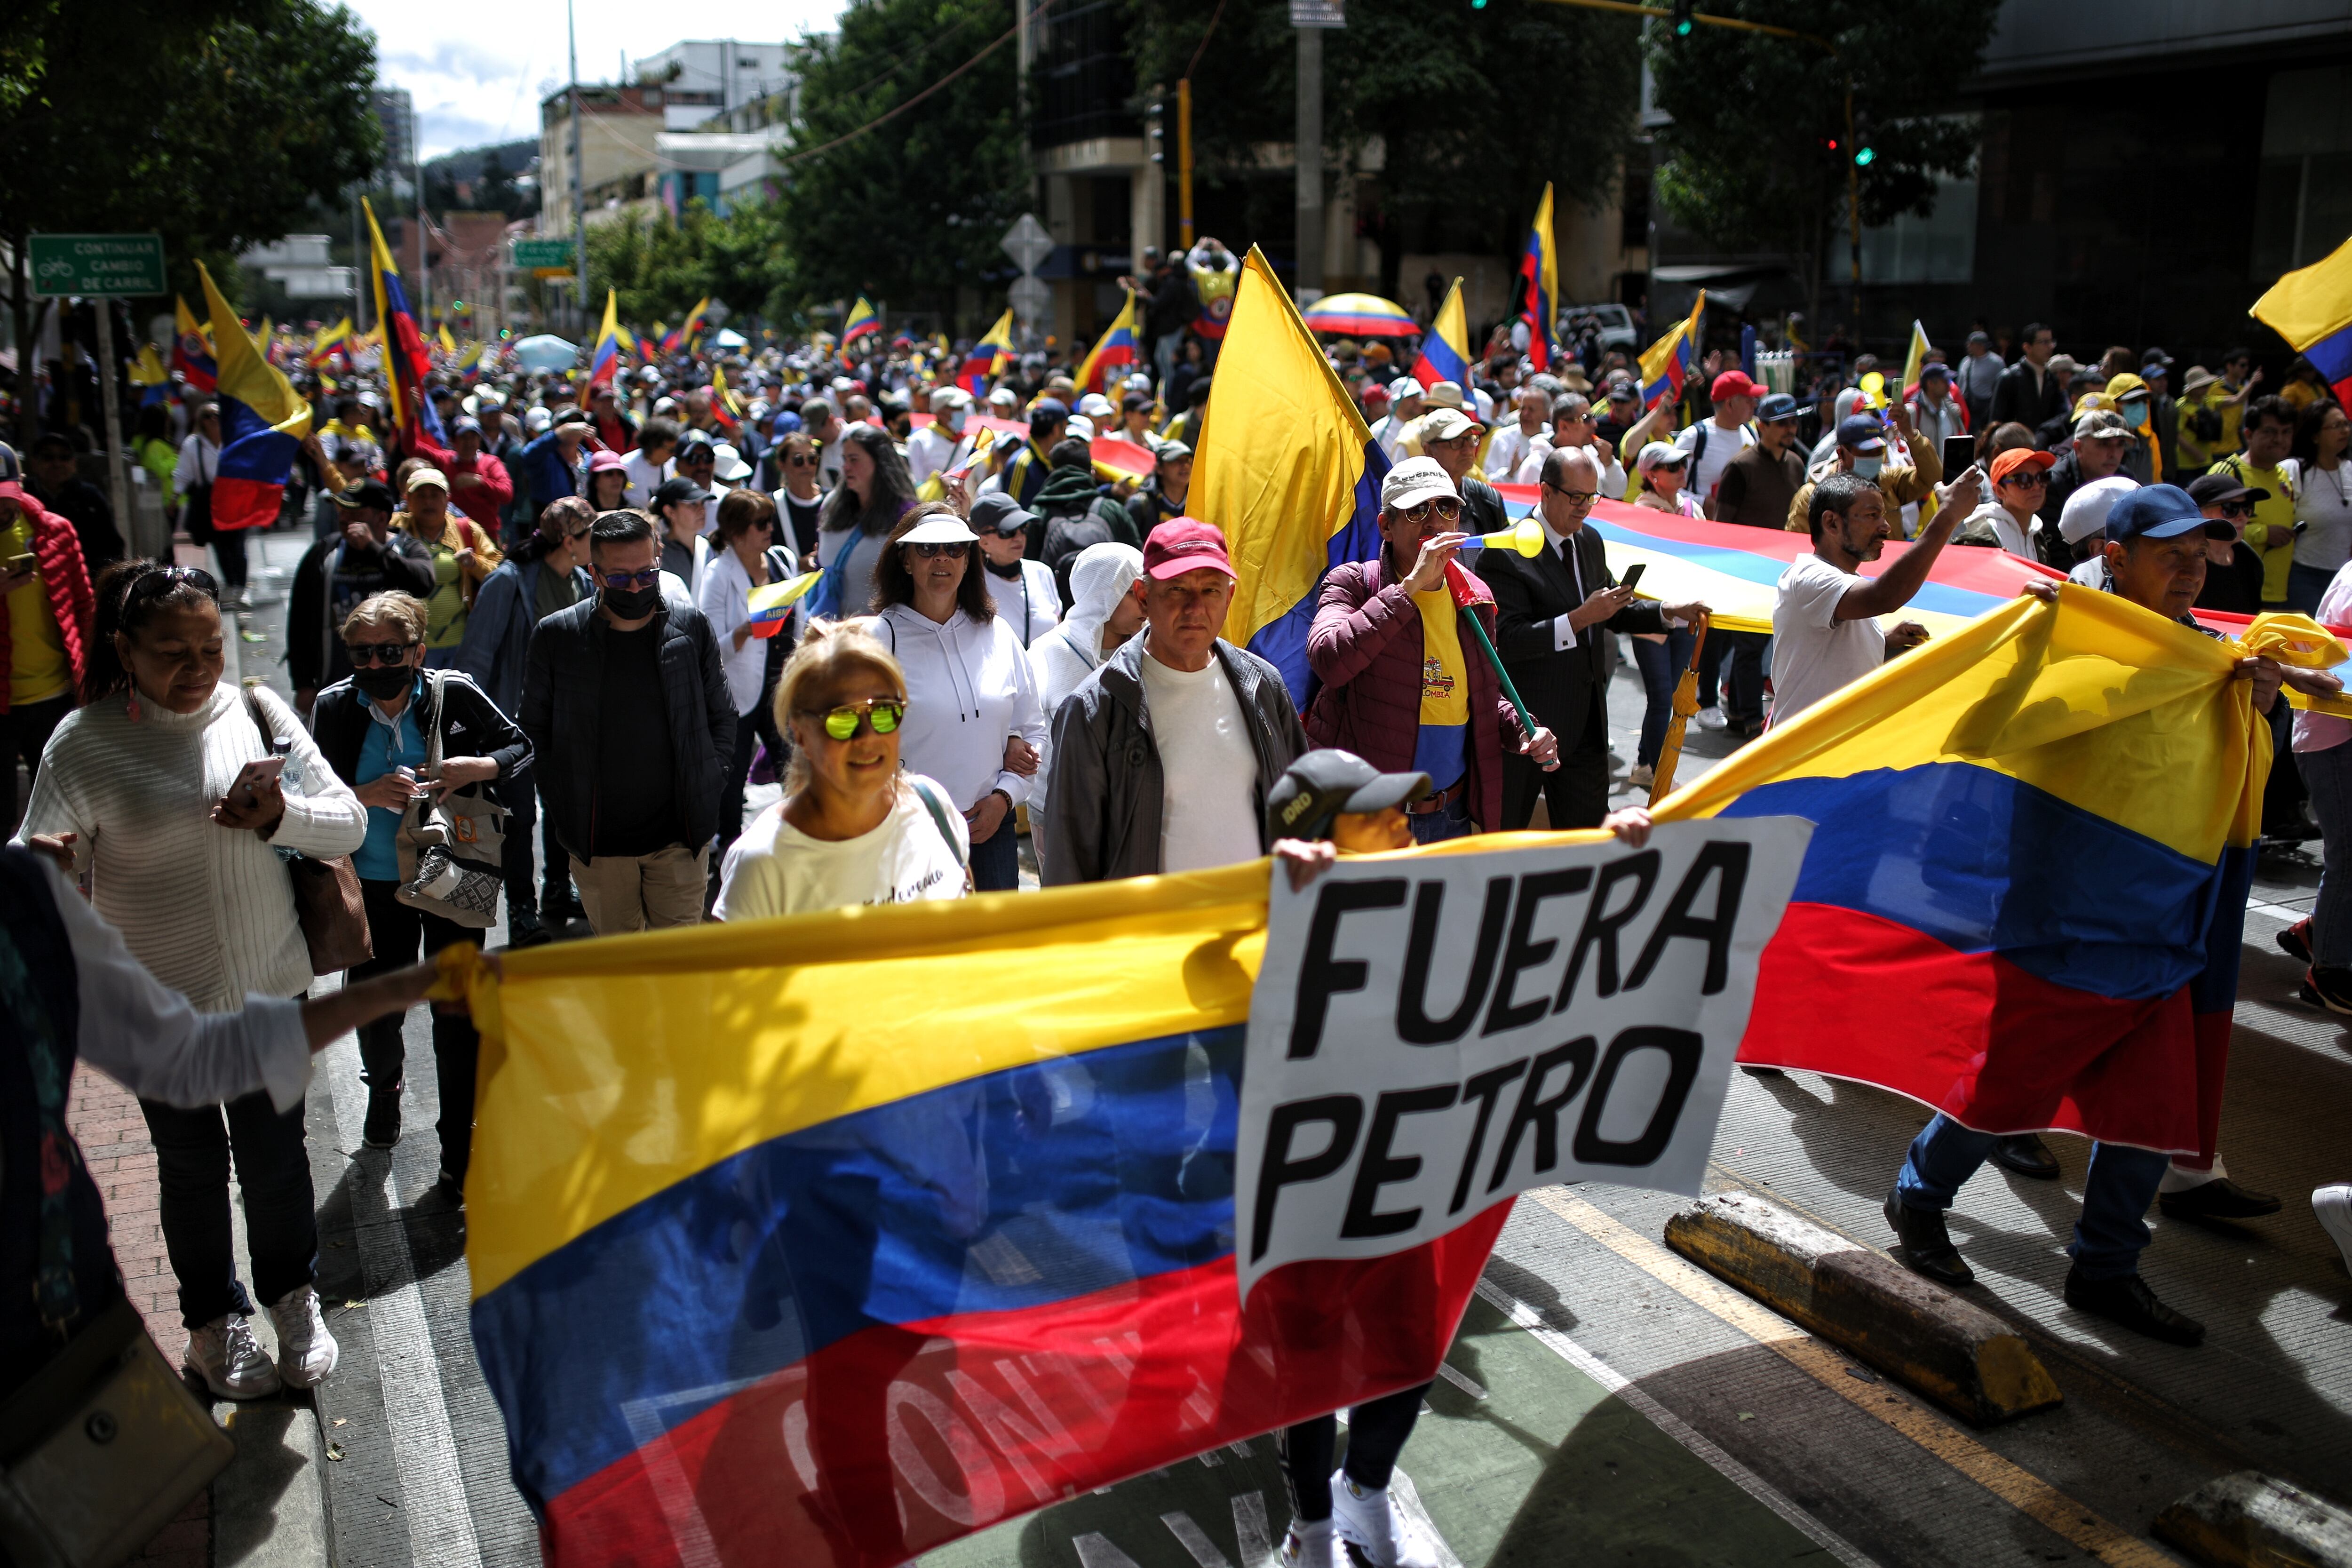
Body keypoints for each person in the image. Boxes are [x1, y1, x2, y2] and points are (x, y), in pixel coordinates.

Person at [1886, 484, 2328, 1345]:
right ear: (2117, 558)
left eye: (2201, 555)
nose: (2191, 570)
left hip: (2165, 924)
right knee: (2007, 1093)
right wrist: (2028, 647)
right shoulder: (2066, 634)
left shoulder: (2213, 655)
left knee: (2150, 1117)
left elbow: (2240, 776)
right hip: (2064, 919)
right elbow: (1978, 735)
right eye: (2172, 555)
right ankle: (1920, 1194)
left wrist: (2262, 705)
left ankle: (2105, 1268)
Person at [1258, 748, 1651, 1568]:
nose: (1406, 824)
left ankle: (1365, 1491)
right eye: (1378, 816)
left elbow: (1542, 933)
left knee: (1409, 1349)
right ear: (1318, 839)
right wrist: (1280, 903)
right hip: (1307, 1198)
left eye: (1402, 810)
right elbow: (1206, 981)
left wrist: (1616, 863)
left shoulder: (1432, 906)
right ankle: (1312, 1529)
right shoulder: (1263, 929)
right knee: (1311, 1368)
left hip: (1408, 1182)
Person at [17, 560, 366, 1398]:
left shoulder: (257, 712)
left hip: (269, 993)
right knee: (191, 1168)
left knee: (276, 1161)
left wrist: (281, 816)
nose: (198, 668)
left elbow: (349, 822)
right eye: (173, 652)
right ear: (124, 650)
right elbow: (34, 859)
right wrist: (43, 871)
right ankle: (213, 1325)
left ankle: (294, 1299)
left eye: (210, 648)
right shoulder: (83, 742)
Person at [2, 840, 455, 1409]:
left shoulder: (20, 896)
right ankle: (214, 1322)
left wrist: (395, 990)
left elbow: (194, 1057)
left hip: (76, 1300)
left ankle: (267, 1306)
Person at [310, 591, 526, 1191]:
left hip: (450, 877)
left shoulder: (452, 693)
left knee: (456, 1016)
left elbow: (519, 746)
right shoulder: (336, 707)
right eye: (362, 654)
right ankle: (385, 1087)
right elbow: (308, 794)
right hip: (375, 884)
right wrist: (363, 795)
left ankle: (459, 1149)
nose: (376, 664)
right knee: (376, 1008)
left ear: (418, 652)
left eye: (390, 652)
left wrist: (473, 768)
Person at [1302, 456, 1560, 843]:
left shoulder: (1474, 596)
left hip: (1449, 818)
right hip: (1367, 818)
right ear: (1386, 526)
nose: (1435, 521)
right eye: (1417, 510)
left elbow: (1483, 695)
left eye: (1447, 508)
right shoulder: (1354, 583)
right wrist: (1409, 588)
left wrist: (1522, 729)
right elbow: (1329, 660)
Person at [1044, 519, 1310, 883]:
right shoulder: (1095, 707)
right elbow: (1069, 856)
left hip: (1256, 915)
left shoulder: (1263, 686)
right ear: (1143, 596)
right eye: (1177, 589)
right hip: (1150, 921)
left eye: (1211, 590)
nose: (1195, 608)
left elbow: (1301, 810)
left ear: (1229, 598)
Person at [520, 509, 735, 933]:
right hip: (600, 847)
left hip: (680, 839)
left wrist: (712, 777)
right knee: (623, 967)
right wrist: (561, 796)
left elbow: (723, 714)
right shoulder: (557, 636)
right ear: (595, 574)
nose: (636, 587)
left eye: (647, 574)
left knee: (679, 962)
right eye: (620, 578)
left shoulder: (691, 627)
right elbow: (534, 729)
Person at [1484, 448, 1704, 826]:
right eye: (1576, 497)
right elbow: (1507, 640)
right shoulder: (1506, 549)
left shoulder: (1589, 541)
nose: (1585, 507)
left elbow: (1613, 608)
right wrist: (1578, 619)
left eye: (1592, 496)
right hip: (1526, 728)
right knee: (1506, 835)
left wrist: (1667, 611)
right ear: (1546, 491)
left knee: (1589, 836)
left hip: (1586, 725)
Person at [714, 615, 970, 919]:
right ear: (800, 733)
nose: (867, 737)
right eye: (842, 719)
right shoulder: (762, 864)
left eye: (884, 712)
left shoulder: (933, 805)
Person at [868, 505, 1046, 893]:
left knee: (994, 934)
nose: (942, 558)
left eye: (954, 548)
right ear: (906, 560)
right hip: (908, 834)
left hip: (991, 832)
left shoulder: (999, 633)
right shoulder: (876, 640)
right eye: (927, 549)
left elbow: (1034, 729)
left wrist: (1005, 797)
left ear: (968, 561)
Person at [456, 495, 593, 943]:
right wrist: (476, 727)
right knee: (518, 819)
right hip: (511, 725)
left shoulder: (582, 582)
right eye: (591, 534)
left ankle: (558, 888)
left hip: (565, 722)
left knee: (563, 810)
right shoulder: (508, 581)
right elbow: (476, 658)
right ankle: (521, 909)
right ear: (569, 540)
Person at [1771, 465, 1980, 725]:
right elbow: (1884, 597)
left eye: (1883, 515)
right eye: (1872, 516)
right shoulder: (1809, 576)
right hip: (1810, 746)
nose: (1886, 527)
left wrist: (1883, 639)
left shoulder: (1845, 581)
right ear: (1832, 523)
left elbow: (1832, 648)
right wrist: (1948, 515)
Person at [1028, 542, 1144, 883]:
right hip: (1060, 811)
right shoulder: (1048, 651)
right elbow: (1027, 731)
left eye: (1147, 589)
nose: (1146, 601)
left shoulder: (1149, 649)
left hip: (1132, 810)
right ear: (1102, 594)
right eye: (1133, 591)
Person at [1, 447, 96, 828]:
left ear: (22, 485)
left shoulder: (55, 530)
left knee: (62, 815)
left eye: (6, 497)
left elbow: (84, 606)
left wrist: (97, 676)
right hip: (4, 704)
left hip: (55, 696)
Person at [287, 479, 437, 714]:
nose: (345, 520)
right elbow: (299, 621)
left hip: (398, 689)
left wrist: (373, 548)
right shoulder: (325, 553)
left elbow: (423, 583)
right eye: (342, 512)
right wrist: (303, 683)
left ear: (381, 518)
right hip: (335, 685)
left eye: (355, 514)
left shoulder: (407, 549)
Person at [696, 489, 789, 862]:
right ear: (736, 533)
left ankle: (801, 836)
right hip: (736, 692)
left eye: (770, 521)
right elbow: (709, 647)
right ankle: (728, 848)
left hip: (780, 686)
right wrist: (745, 631)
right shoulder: (719, 574)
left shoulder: (781, 561)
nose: (770, 529)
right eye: (760, 523)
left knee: (794, 767)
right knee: (732, 779)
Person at [812, 422, 919, 621]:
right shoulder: (831, 506)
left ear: (879, 462)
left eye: (854, 460)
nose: (846, 467)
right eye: (845, 459)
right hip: (828, 632)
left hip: (881, 633)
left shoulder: (906, 516)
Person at [397, 468, 502, 666]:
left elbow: (499, 572)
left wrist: (474, 563)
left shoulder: (467, 529)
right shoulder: (395, 528)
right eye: (421, 496)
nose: (428, 502)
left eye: (435, 495)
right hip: (411, 643)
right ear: (407, 500)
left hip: (461, 643)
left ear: (448, 499)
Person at [1788, 410, 1945, 539]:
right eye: (1866, 452)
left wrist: (1911, 435)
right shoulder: (1811, 496)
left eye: (1879, 451)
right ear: (1842, 454)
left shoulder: (1890, 482)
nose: (1874, 458)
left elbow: (1933, 477)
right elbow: (1796, 546)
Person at [2211, 396, 2302, 610]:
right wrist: (2264, 534)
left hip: (2280, 594)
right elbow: (2207, 530)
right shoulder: (2228, 472)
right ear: (2249, 435)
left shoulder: (2284, 476)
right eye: (2270, 432)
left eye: (2286, 432)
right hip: (2238, 591)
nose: (2279, 439)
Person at [1036, 437, 1139, 598]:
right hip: (1110, 608)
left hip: (1055, 609)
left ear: (1052, 470)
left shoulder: (1039, 512)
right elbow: (1137, 564)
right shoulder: (1112, 510)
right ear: (1091, 471)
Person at [972, 492, 1063, 649]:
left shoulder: (1042, 572)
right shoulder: (974, 583)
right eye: (1008, 532)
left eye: (1023, 529)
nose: (1019, 537)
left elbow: (1059, 628)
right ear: (983, 541)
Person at [24, 432, 125, 570]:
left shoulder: (90, 497)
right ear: (34, 463)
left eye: (64, 457)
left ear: (74, 463)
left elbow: (113, 546)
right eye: (48, 457)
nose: (57, 464)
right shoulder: (23, 496)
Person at [1710, 391, 1807, 528]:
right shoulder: (1740, 467)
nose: (1790, 429)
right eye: (1782, 424)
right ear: (1762, 426)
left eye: (1794, 422)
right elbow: (1722, 524)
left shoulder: (1796, 464)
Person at [2288, 401, 2351, 615]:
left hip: (2344, 579)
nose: (2345, 431)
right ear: (2315, 436)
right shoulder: (2294, 470)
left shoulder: (2350, 470)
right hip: (2303, 575)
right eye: (2336, 426)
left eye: (2346, 424)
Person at [1675, 370, 1765, 510]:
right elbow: (1670, 489)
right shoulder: (1694, 437)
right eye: (1749, 400)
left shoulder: (1751, 432)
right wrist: (1703, 504)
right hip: (1704, 523)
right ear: (1730, 404)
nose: (1754, 404)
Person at [2185, 473, 2269, 616]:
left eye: (2247, 507)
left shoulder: (2250, 561)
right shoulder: (2183, 565)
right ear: (2200, 513)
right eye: (2230, 508)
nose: (2242, 517)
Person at [1952, 446, 2055, 557]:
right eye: (2023, 480)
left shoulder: (2037, 534)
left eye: (2042, 477)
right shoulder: (1981, 537)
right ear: (2000, 491)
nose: (2037, 486)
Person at [1988, 322, 2065, 435]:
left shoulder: (2052, 379)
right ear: (2028, 347)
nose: (2051, 347)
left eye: (2051, 341)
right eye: (2044, 342)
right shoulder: (2009, 378)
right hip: (2015, 443)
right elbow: (1996, 421)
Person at [444, 416, 516, 534]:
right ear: (453, 441)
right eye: (464, 437)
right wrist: (413, 415)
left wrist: (480, 482)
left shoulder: (491, 463)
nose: (469, 443)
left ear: (480, 440)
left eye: (473, 437)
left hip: (486, 534)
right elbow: (415, 448)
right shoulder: (445, 460)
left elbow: (506, 494)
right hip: (453, 534)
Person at [518, 406, 591, 517]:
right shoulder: (544, 459)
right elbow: (527, 455)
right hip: (551, 524)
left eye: (579, 422)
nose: (575, 427)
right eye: (567, 422)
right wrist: (562, 432)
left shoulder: (590, 459)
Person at [651, 474, 715, 594]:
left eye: (702, 503)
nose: (702, 510)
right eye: (693, 504)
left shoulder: (708, 547)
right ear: (670, 512)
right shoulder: (659, 553)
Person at [769, 430, 828, 561]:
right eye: (798, 460)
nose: (807, 466)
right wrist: (799, 565)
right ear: (782, 465)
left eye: (812, 459)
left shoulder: (832, 500)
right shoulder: (771, 506)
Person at [906, 386, 974, 489]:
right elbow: (916, 482)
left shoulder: (970, 442)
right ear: (940, 413)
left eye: (962, 408)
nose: (961, 412)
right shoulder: (919, 441)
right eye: (956, 409)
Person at [1127, 439, 1192, 538]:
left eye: (1188, 460)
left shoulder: (1198, 503)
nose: (1185, 466)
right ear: (1159, 469)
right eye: (1177, 461)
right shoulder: (1139, 504)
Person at [1484, 386, 1549, 483]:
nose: (1525, 414)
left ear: (1546, 414)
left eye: (1531, 410)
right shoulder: (1502, 438)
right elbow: (1488, 480)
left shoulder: (1553, 436)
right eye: (1523, 409)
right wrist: (1510, 473)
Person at [1955, 329, 2004, 438]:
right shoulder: (1966, 362)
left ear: (1981, 346)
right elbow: (1960, 383)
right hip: (1967, 405)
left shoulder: (1996, 362)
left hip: (1985, 406)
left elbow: (2002, 385)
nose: (1968, 346)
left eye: (1971, 344)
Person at [622, 415, 678, 508]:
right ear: (654, 445)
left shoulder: (672, 464)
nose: (673, 454)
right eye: (670, 450)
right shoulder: (627, 464)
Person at [585, 448, 630, 513]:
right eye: (609, 474)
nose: (616, 478)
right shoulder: (583, 514)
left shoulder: (633, 513)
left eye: (620, 474)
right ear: (595, 480)